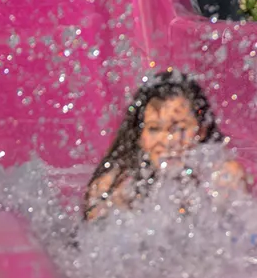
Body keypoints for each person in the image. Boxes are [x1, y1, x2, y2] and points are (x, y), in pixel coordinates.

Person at [83, 68, 249, 221]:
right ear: (140, 135)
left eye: (179, 128)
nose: (167, 141)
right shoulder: (114, 187)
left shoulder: (222, 178)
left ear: (201, 130)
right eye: (154, 129)